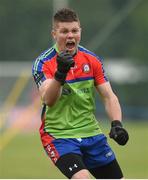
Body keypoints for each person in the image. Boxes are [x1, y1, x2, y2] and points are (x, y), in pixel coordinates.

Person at [32, 8, 129, 179]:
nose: (70, 35)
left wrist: (116, 124)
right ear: (54, 34)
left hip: (91, 133)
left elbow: (109, 96)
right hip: (59, 136)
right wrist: (60, 74)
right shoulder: (43, 62)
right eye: (64, 31)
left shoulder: (92, 60)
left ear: (80, 32)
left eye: (74, 31)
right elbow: (49, 99)